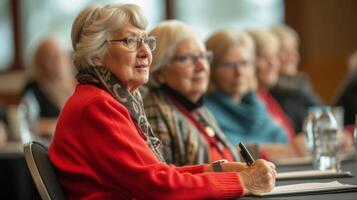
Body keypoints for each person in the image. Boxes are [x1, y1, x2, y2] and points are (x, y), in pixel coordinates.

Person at [49, 4, 276, 199]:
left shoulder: (106, 99)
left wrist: (216, 169)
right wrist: (243, 182)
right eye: (131, 41)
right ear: (96, 54)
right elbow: (159, 186)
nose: (146, 52)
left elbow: (159, 173)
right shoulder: (97, 105)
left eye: (147, 41)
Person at [144, 20, 239, 166]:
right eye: (186, 58)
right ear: (159, 71)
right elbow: (165, 178)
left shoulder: (200, 110)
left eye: (203, 57)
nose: (201, 66)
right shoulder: (155, 112)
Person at [205, 29, 304, 160]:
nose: (239, 72)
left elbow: (284, 140)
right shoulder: (205, 113)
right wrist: (269, 151)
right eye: (229, 65)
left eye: (245, 63)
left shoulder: (257, 104)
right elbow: (216, 155)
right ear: (211, 69)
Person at [269, 25, 322, 133]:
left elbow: (324, 117)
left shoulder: (301, 85)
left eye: (294, 49)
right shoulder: (269, 92)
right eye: (284, 50)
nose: (294, 56)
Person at [248, 29, 296, 141]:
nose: (272, 63)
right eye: (264, 57)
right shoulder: (246, 103)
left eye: (274, 56)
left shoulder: (269, 98)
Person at [22, 37, 75, 118]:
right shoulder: (33, 88)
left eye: (59, 55)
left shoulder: (75, 83)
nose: (57, 61)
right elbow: (29, 122)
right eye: (50, 57)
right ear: (40, 63)